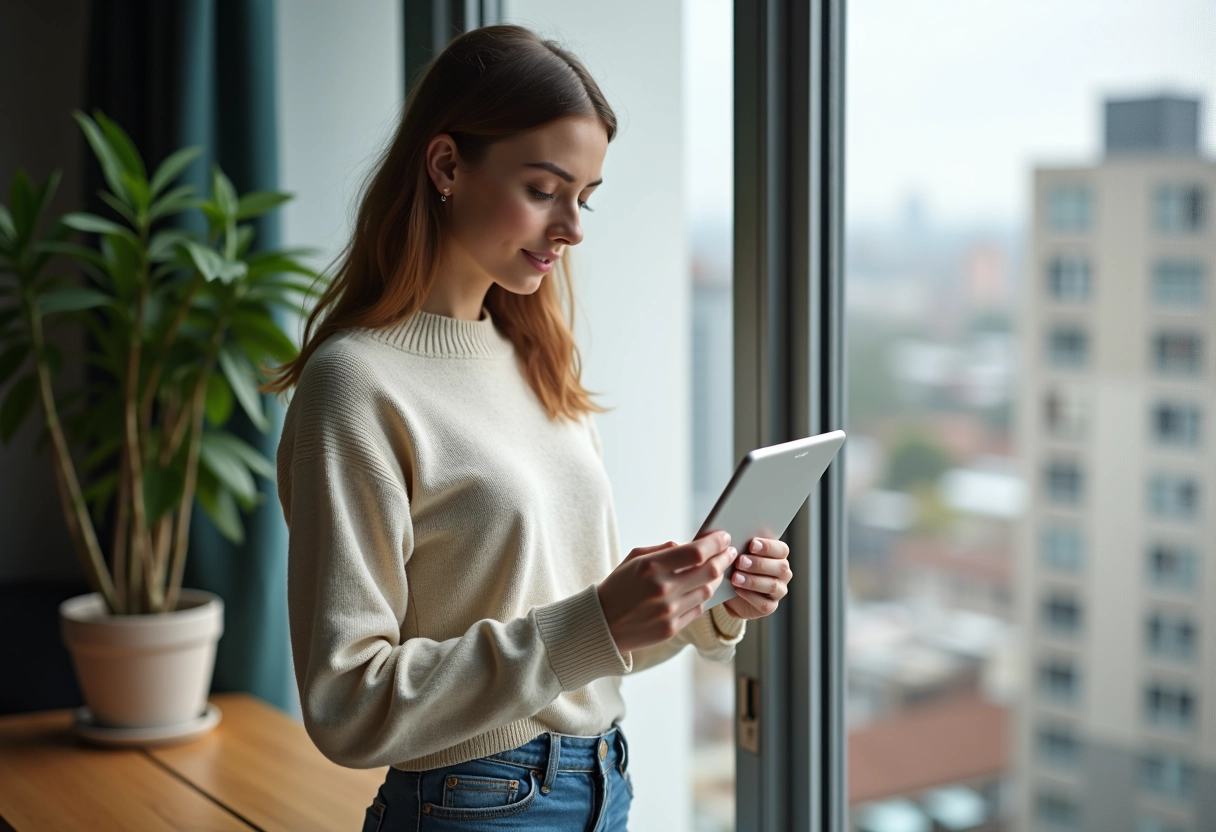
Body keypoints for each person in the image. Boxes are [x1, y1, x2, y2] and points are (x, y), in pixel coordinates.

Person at [266, 23, 793, 832]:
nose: (574, 227)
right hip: (474, 806)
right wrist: (596, 622)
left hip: (601, 783)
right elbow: (346, 704)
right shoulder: (356, 385)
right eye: (546, 190)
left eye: (585, 197)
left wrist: (706, 606)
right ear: (446, 165)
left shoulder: (533, 356)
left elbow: (572, 656)